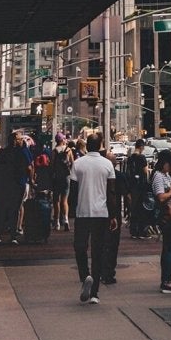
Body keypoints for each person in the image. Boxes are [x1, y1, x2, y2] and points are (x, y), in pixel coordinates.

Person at [70, 129, 118, 304]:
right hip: (101, 213)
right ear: (99, 146)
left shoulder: (78, 164)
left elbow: (73, 192)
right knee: (98, 252)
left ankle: (85, 276)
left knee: (80, 247)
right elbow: (111, 192)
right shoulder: (107, 165)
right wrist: (113, 216)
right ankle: (95, 293)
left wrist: (71, 212)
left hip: (82, 212)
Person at [151, 147, 171, 292]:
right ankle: (167, 281)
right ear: (164, 163)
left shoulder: (166, 175)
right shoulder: (158, 176)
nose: (170, 167)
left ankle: (167, 279)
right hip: (166, 216)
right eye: (169, 164)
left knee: (169, 247)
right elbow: (161, 197)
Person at [48, 139, 71, 231]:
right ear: (62, 140)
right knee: (65, 200)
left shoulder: (54, 151)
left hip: (57, 177)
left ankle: (57, 222)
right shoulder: (68, 150)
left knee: (56, 200)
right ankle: (66, 220)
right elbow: (72, 163)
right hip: (66, 177)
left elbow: (52, 165)